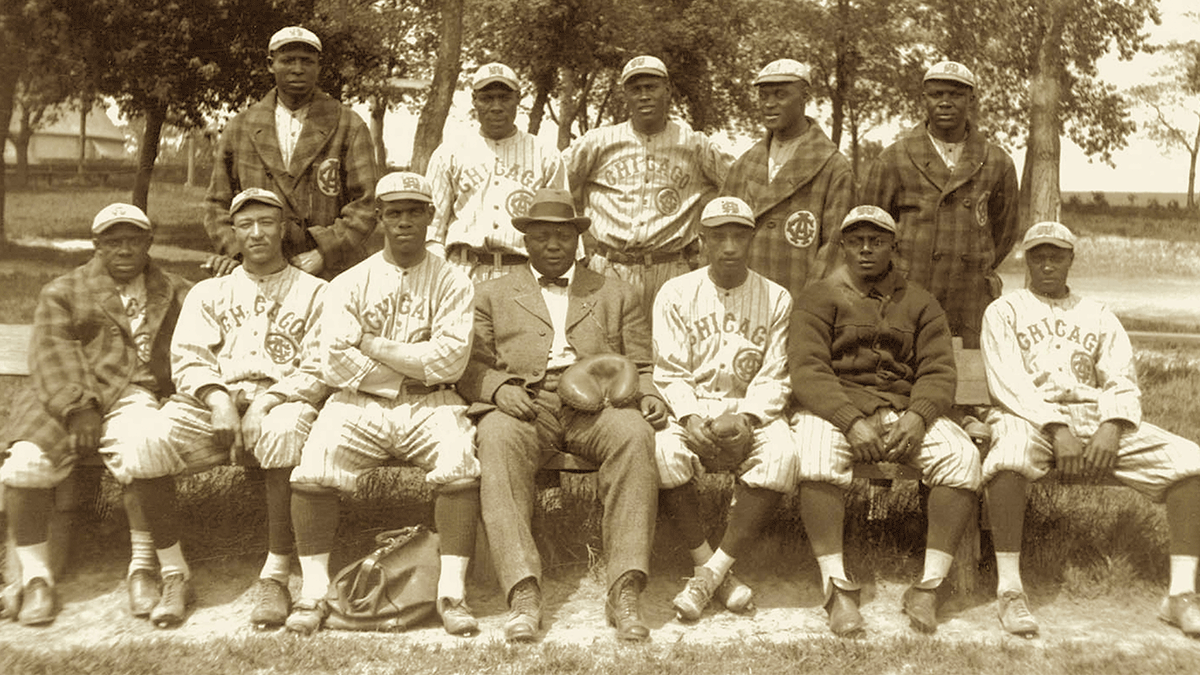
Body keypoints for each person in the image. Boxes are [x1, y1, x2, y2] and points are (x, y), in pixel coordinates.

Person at [458, 188, 668, 642]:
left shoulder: (616, 291)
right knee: (495, 438)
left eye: (562, 235)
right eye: (541, 235)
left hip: (599, 406)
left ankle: (625, 587)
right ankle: (523, 591)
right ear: (525, 241)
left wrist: (648, 394)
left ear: (577, 239)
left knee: (634, 434)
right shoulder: (491, 294)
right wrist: (497, 390)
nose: (552, 244)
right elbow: (470, 364)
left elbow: (643, 362)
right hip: (526, 404)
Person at [980, 221, 1200, 638]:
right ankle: (1010, 590)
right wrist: (1057, 427)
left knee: (1190, 460)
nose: (1047, 264)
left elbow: (1121, 379)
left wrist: (1114, 424)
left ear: (1070, 260)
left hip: (1096, 419)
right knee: (1007, 457)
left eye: (1056, 256)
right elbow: (1007, 382)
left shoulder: (1097, 314)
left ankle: (1180, 595)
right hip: (1027, 416)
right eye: (1038, 256)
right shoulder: (1004, 311)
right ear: (1026, 260)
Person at [284, 172, 481, 637]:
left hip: (433, 403)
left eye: (416, 211)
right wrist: (413, 365)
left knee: (458, 461)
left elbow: (451, 362)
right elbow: (334, 362)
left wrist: (372, 344)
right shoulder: (349, 282)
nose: (405, 221)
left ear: (432, 216)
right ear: (379, 218)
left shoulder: (454, 281)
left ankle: (452, 593)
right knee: (315, 462)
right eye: (395, 212)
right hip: (356, 402)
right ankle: (313, 592)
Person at [124, 188, 327, 629]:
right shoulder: (207, 292)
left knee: (285, 429)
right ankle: (174, 571)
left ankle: (275, 573)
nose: (256, 233)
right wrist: (218, 401)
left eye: (267, 223)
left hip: (281, 399)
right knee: (143, 441)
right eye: (245, 225)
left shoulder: (317, 293)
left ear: (285, 228)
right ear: (233, 232)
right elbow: (190, 357)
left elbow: (321, 366)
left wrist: (267, 402)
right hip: (210, 402)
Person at [789, 205, 982, 636]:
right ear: (842, 246)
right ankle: (836, 587)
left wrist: (919, 415)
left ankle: (929, 587)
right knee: (817, 456)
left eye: (876, 241)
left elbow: (938, 370)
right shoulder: (819, 295)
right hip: (837, 409)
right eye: (855, 241)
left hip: (902, 411)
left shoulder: (919, 301)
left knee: (961, 458)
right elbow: (807, 369)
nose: (865, 250)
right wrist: (849, 419)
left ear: (893, 246)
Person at [0, 203, 191, 626]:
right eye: (113, 241)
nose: (124, 249)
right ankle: (36, 578)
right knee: (26, 464)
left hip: (132, 394)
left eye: (134, 240)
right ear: (97, 245)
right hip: (62, 398)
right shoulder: (64, 290)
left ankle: (142, 568)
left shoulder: (174, 289)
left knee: (146, 446)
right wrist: (78, 406)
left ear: (149, 242)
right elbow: (53, 352)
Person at [652, 196, 796, 621]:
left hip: (751, 408)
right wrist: (690, 416)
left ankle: (709, 575)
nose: (729, 246)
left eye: (739, 235)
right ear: (702, 240)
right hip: (691, 406)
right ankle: (710, 566)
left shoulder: (776, 297)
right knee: (662, 452)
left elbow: (776, 374)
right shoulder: (676, 292)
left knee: (782, 455)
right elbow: (669, 370)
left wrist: (749, 418)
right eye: (719, 236)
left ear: (752, 239)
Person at [860, 61, 1019, 348]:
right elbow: (869, 232)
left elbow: (1004, 232)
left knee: (970, 381)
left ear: (971, 99)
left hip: (971, 299)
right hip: (907, 294)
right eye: (936, 95)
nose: (945, 103)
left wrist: (972, 263)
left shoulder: (996, 161)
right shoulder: (894, 158)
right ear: (924, 98)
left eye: (956, 95)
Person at [204, 25, 378, 281]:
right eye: (287, 60)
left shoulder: (348, 124)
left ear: (319, 66)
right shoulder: (241, 126)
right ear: (270, 64)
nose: (297, 69)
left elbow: (367, 203)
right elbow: (216, 204)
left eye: (306, 61)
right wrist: (240, 253)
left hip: (330, 273)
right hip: (257, 272)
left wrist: (326, 252)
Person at [564, 55, 733, 312]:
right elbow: (553, 187)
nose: (644, 95)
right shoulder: (598, 141)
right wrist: (575, 252)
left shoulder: (694, 144)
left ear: (668, 91)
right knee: (604, 349)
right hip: (609, 266)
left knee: (671, 348)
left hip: (672, 267)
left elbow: (740, 183)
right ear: (626, 96)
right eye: (636, 89)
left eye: (651, 87)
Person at [721, 59, 854, 299]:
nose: (769, 104)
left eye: (781, 94)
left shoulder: (833, 167)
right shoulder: (743, 165)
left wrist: (811, 311)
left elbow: (834, 250)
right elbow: (718, 235)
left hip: (799, 303)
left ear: (805, 96)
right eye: (763, 96)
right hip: (742, 301)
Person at [425, 62, 567, 283]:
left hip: (522, 271)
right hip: (462, 269)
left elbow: (560, 226)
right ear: (474, 100)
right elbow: (433, 229)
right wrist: (438, 277)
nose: (496, 106)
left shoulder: (545, 154)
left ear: (518, 99)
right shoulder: (449, 152)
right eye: (487, 98)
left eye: (504, 97)